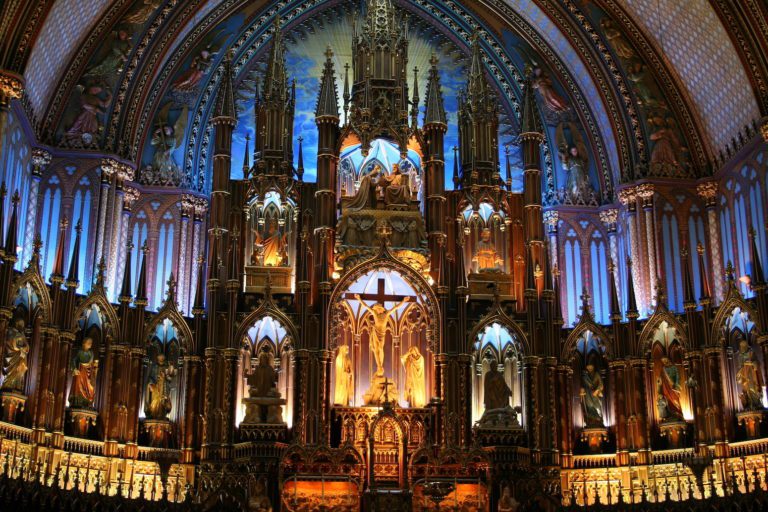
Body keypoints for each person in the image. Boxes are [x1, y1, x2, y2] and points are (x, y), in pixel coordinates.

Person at [355, 294, 410, 376]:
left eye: (377, 309)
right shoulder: (375, 314)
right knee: (376, 349)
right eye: (375, 309)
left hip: (382, 334)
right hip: (375, 332)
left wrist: (403, 301)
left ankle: (380, 364)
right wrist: (359, 299)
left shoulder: (386, 314)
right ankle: (379, 366)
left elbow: (395, 307)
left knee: (380, 348)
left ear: (380, 309)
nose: (376, 310)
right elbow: (366, 306)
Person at [144, 353, 176, 419]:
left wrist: (165, 377)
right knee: (154, 401)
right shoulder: (154, 367)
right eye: (160, 358)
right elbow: (150, 377)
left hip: (164, 387)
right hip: (156, 388)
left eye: (162, 358)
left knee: (163, 401)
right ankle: (153, 413)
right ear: (158, 359)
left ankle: (162, 414)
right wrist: (151, 384)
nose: (161, 360)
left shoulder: (166, 367)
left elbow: (170, 378)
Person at [1, 317, 29, 392]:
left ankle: (16, 386)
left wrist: (24, 348)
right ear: (16, 324)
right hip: (13, 355)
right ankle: (8, 385)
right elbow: (11, 343)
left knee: (20, 370)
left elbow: (27, 347)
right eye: (21, 324)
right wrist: (21, 349)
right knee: (12, 371)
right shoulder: (11, 331)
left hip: (20, 356)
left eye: (23, 325)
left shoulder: (21, 334)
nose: (22, 326)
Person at [70, 337, 98, 408]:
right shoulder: (79, 351)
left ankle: (87, 401)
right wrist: (74, 369)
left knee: (90, 387)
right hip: (80, 371)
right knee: (79, 386)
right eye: (88, 343)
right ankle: (78, 402)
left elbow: (91, 363)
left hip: (88, 372)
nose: (90, 344)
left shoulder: (91, 353)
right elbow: (74, 360)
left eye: (91, 343)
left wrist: (95, 365)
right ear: (84, 343)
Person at [736, 340, 763, 410]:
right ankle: (749, 403)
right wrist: (739, 374)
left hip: (751, 373)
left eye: (743, 346)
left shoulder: (751, 353)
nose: (742, 348)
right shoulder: (740, 356)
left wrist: (754, 363)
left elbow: (757, 362)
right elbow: (739, 366)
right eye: (741, 346)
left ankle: (756, 403)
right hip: (744, 373)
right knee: (746, 388)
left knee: (753, 387)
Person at [656, 356, 683, 421]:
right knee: (667, 400)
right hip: (665, 388)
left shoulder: (674, 367)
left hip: (673, 388)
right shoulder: (663, 369)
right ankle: (669, 414)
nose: (664, 362)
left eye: (665, 360)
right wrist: (659, 382)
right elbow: (661, 379)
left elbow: (678, 377)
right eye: (663, 361)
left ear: (668, 360)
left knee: (675, 400)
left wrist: (677, 385)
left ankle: (677, 413)